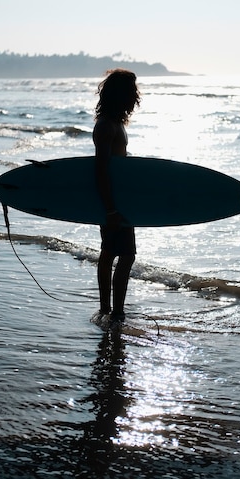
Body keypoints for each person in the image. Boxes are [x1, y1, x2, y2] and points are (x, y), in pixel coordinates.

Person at [92, 69, 141, 324]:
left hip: (120, 200)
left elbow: (117, 165)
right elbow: (100, 170)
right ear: (121, 94)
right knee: (118, 253)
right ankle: (111, 311)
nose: (136, 95)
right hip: (112, 202)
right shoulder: (105, 126)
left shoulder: (116, 123)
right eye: (132, 91)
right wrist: (110, 209)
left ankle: (110, 310)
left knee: (113, 252)